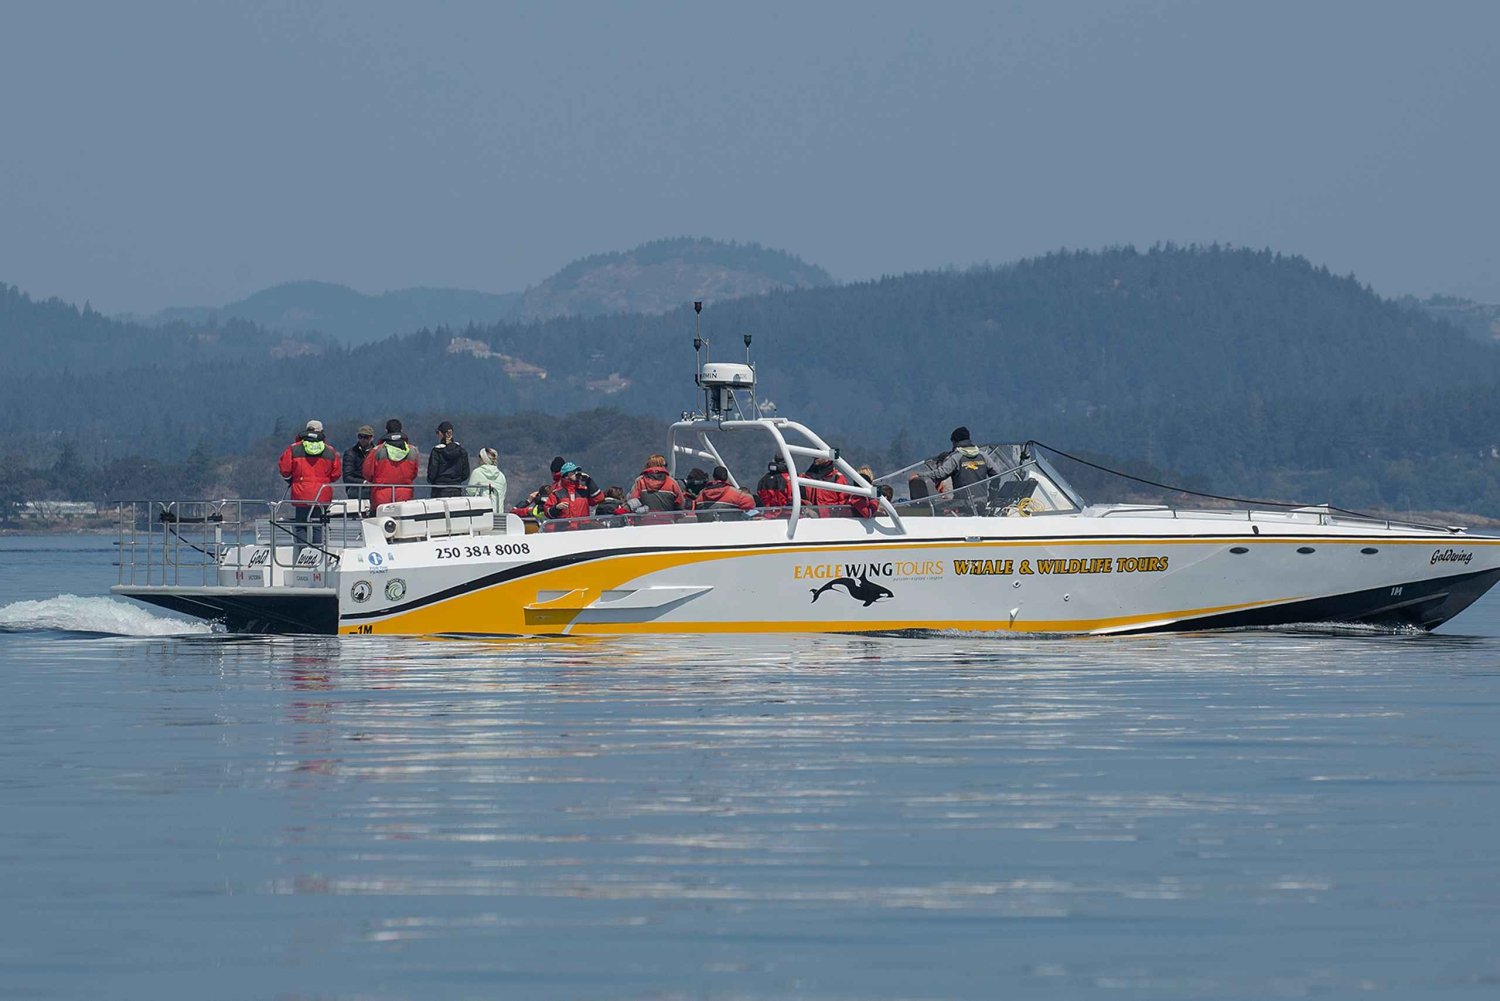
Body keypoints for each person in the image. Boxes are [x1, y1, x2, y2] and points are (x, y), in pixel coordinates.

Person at [277, 419, 342, 556]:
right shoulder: (330, 451)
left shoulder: (294, 448)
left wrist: (291, 480)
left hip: (301, 493)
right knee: (318, 526)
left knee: (301, 525)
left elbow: (285, 469)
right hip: (321, 494)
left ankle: (302, 555)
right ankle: (317, 555)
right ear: (321, 432)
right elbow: (336, 474)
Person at [362, 418, 420, 511]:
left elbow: (367, 473)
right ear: (401, 430)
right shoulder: (412, 451)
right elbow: (414, 473)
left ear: (386, 430)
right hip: (405, 493)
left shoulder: (377, 451)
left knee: (381, 522)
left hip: (381, 494)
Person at [929, 426, 998, 496]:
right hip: (982, 499)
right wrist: (993, 492)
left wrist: (921, 475)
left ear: (955, 441)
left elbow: (940, 474)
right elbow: (997, 473)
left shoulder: (955, 457)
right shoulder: (983, 455)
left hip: (962, 502)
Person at [427, 420, 471, 499]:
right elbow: (466, 473)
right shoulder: (461, 451)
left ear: (441, 434)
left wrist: (435, 481)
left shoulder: (436, 451)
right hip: (456, 489)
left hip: (439, 490)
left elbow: (432, 473)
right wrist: (456, 480)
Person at [342, 424, 376, 513]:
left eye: (366, 437)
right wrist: (363, 482)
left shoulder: (377, 452)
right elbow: (347, 477)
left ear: (372, 438)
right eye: (360, 436)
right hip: (355, 488)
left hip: (373, 486)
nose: (363, 439)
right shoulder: (350, 453)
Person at [466, 447, 507, 513]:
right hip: (498, 513)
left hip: (481, 513)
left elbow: (470, 491)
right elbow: (503, 494)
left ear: (483, 459)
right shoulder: (501, 476)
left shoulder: (477, 472)